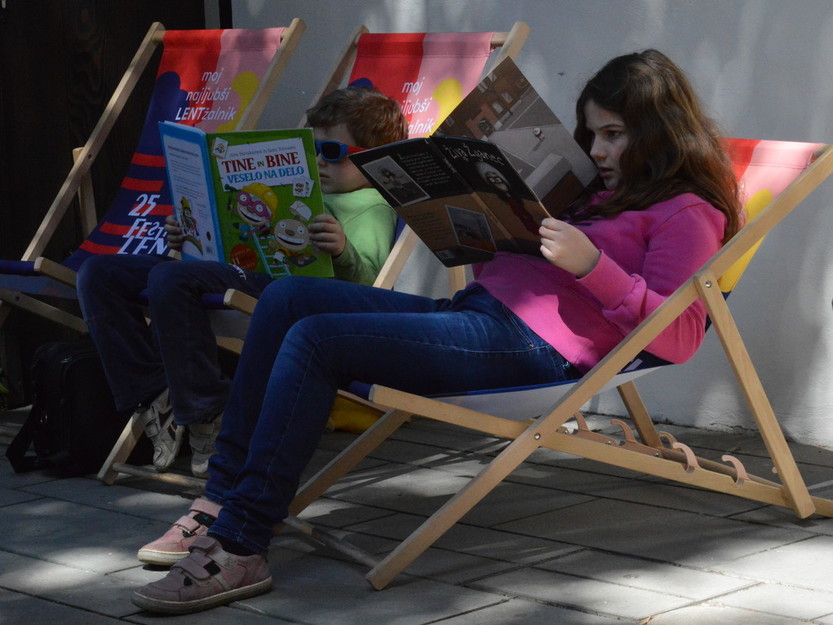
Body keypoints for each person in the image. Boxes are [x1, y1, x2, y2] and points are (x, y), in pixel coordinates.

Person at [131, 49, 741, 614]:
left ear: (659, 131)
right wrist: (475, 229)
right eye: (593, 134)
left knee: (317, 339)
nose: (599, 151)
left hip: (535, 351)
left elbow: (681, 337)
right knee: (287, 298)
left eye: (615, 134)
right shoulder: (601, 194)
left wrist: (593, 266)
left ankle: (241, 542)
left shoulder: (688, 212)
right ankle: (220, 500)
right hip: (477, 315)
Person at [77, 86, 408, 479]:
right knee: (98, 274)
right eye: (312, 149)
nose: (319, 161)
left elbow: (371, 287)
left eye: (332, 152)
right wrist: (191, 235)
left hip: (280, 290)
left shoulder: (370, 207)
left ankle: (206, 411)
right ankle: (153, 393)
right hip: (228, 270)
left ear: (373, 160)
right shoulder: (303, 189)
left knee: (171, 278)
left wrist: (341, 251)